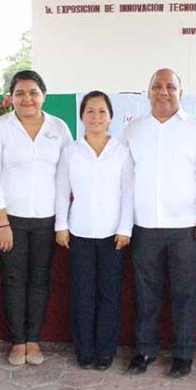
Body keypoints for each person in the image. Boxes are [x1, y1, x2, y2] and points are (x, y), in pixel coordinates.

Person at [122, 68, 196, 378]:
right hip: (145, 225)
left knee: (184, 293)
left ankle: (183, 352)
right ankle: (145, 349)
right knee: (146, 292)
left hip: (186, 227)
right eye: (157, 86)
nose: (164, 92)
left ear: (181, 92)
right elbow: (125, 180)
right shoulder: (133, 130)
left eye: (170, 87)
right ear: (148, 91)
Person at [0, 70, 73, 366]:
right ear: (11, 97)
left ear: (43, 95)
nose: (27, 98)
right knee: (12, 279)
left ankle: (33, 340)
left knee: (39, 280)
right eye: (20, 93)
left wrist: (62, 222)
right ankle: (17, 340)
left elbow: (65, 179)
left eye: (33, 92)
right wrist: (2, 221)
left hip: (46, 221)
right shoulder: (0, 127)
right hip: (12, 220)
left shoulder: (59, 128)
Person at [54, 90, 133, 371]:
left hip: (114, 235)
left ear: (111, 117)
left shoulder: (122, 152)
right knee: (82, 294)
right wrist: (61, 226)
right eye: (90, 111)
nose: (96, 117)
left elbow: (128, 193)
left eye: (102, 111)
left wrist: (125, 229)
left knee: (109, 295)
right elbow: (62, 190)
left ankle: (105, 351)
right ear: (82, 116)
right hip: (79, 233)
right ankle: (84, 350)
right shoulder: (71, 152)